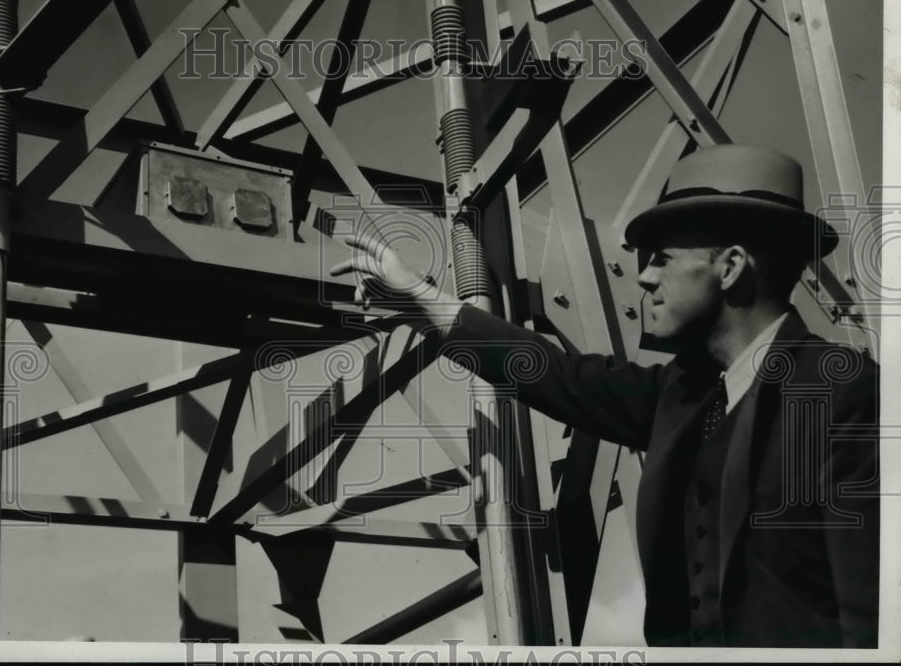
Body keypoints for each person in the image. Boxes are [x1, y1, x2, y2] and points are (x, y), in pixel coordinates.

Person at [330, 144, 879, 648]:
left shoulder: (845, 391)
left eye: (660, 258)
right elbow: (559, 375)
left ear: (731, 267)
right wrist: (423, 303)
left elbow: (871, 611)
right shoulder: (681, 395)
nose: (642, 278)